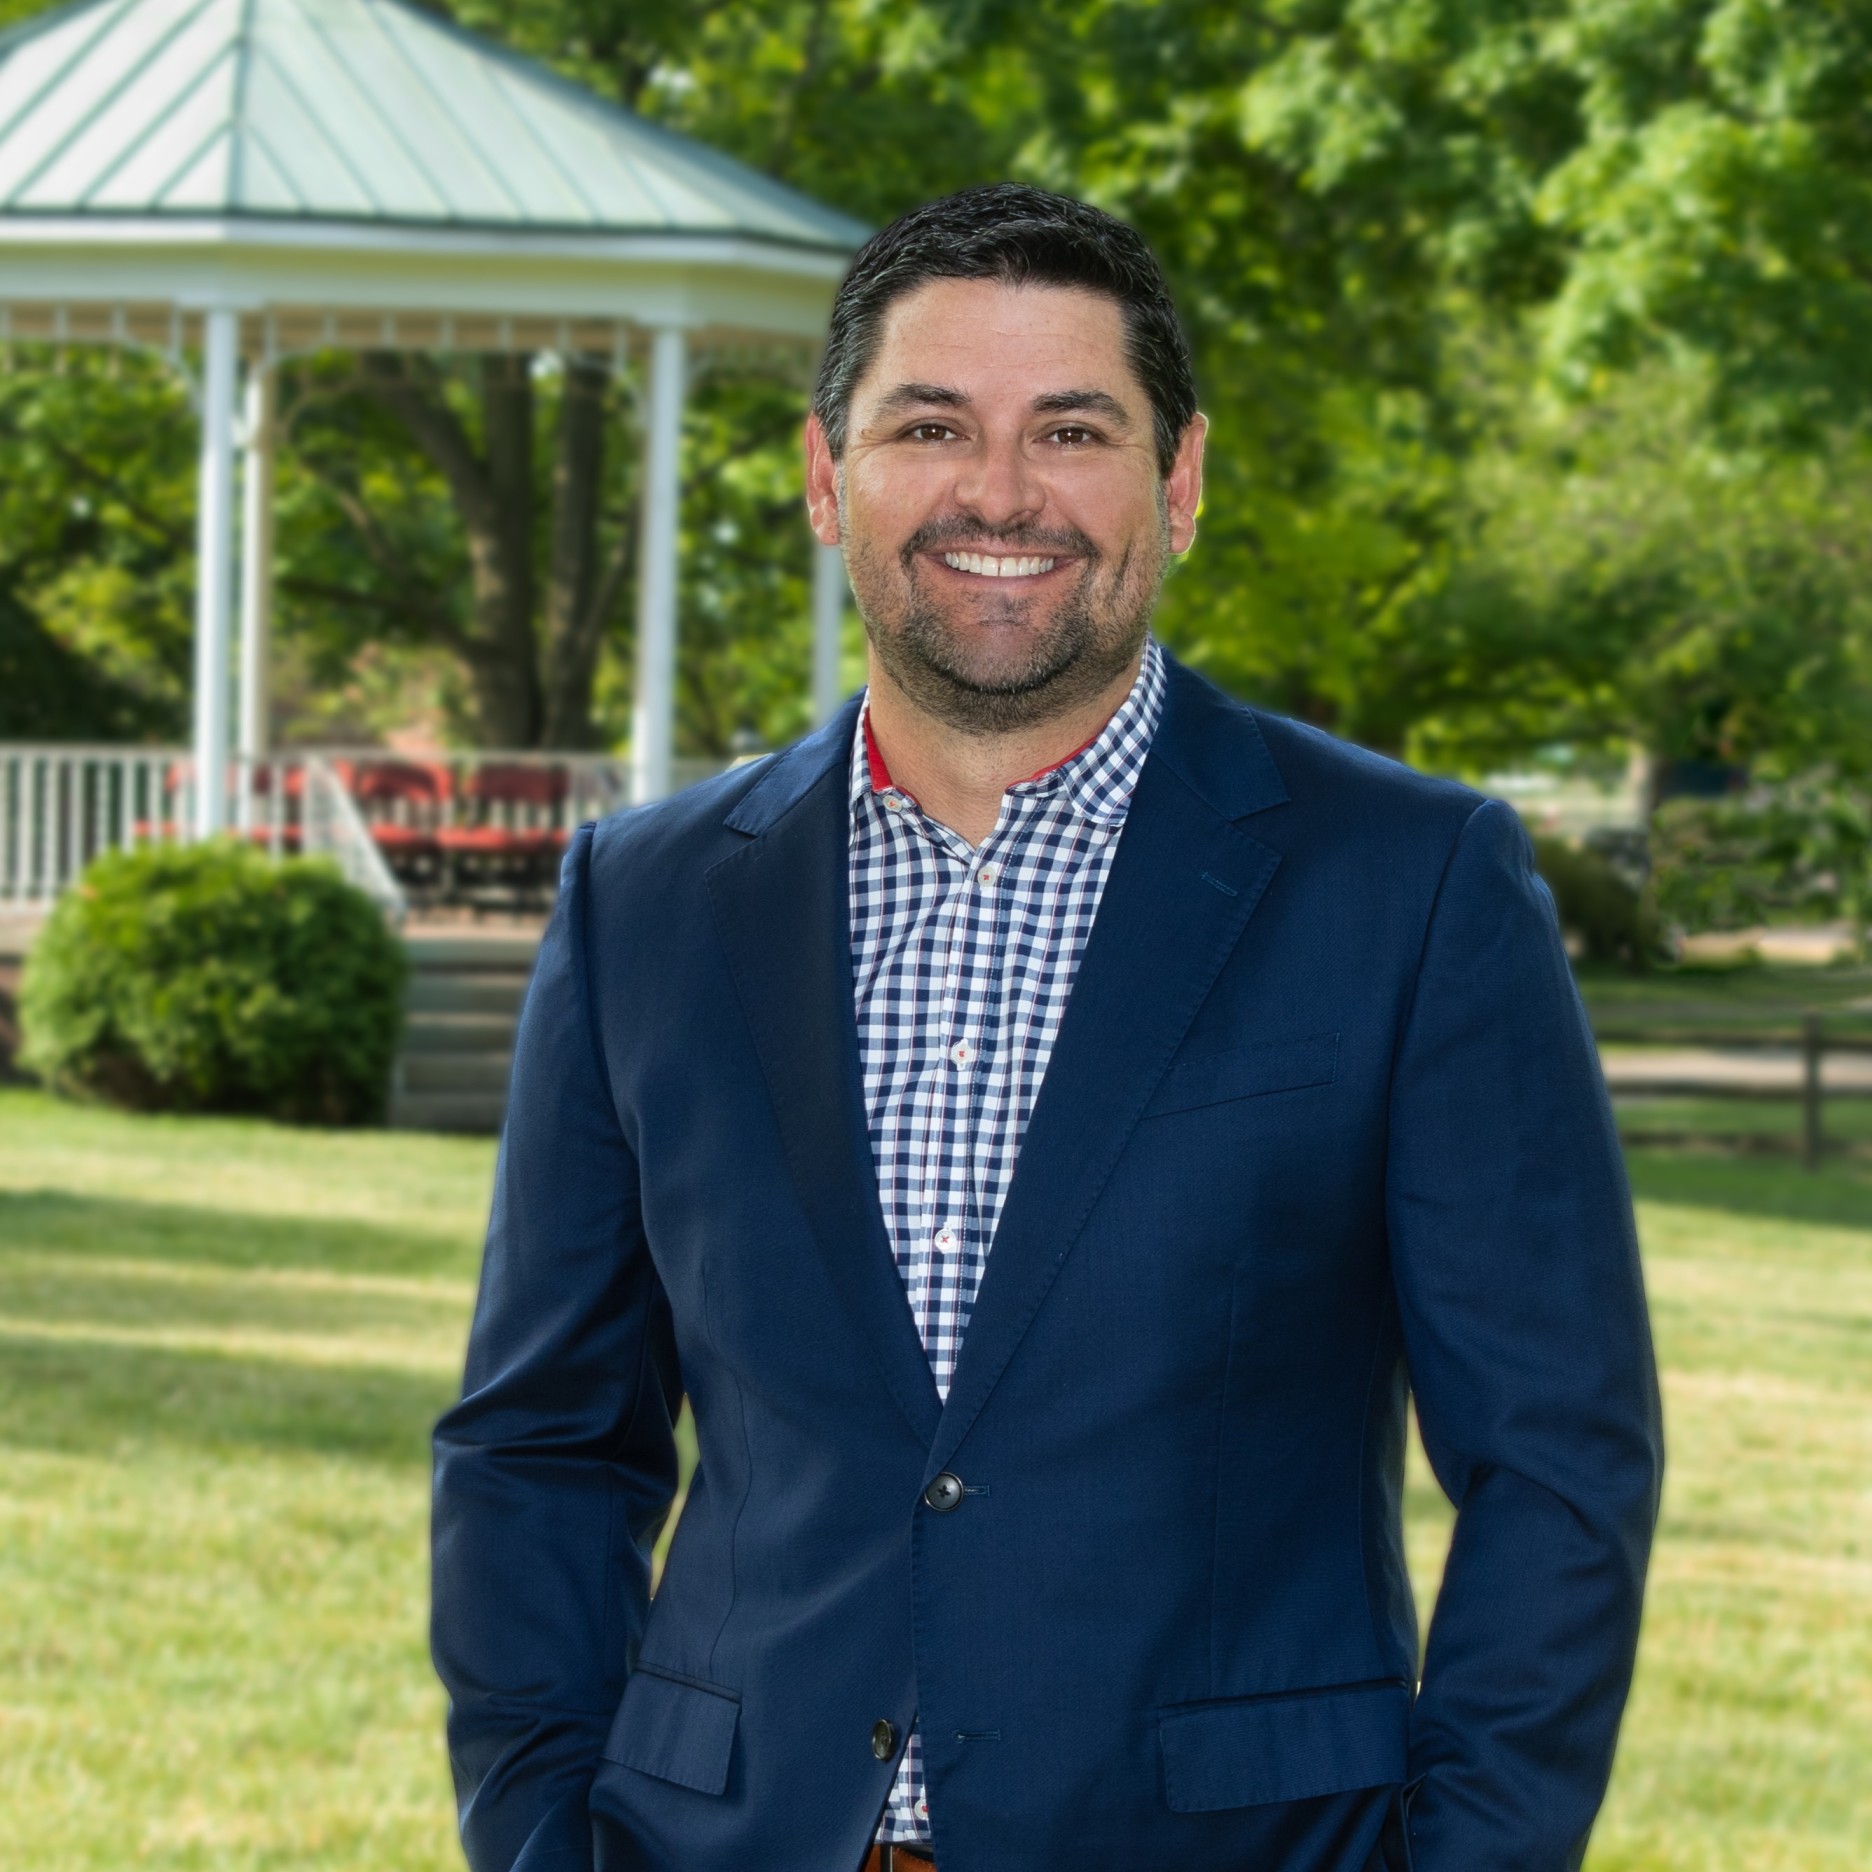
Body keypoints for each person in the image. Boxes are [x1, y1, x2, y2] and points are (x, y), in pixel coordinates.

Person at [431, 183, 1663, 1872]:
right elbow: (540, 1445)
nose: (999, 492)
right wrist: (538, 1838)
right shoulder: (641, 903)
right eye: (929, 424)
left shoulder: (1414, 883)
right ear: (823, 477)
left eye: (1071, 430)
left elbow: (1558, 1467)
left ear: (1180, 482)